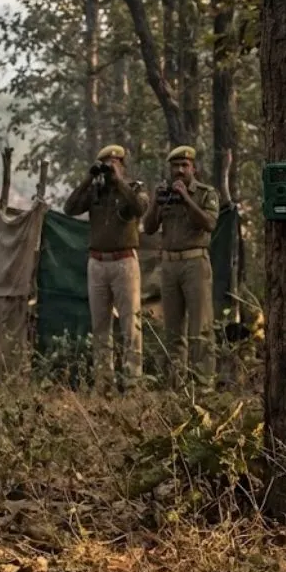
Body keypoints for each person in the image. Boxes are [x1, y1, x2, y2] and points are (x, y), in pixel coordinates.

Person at [63, 144, 150, 393]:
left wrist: (119, 181)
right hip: (97, 262)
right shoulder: (95, 193)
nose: (111, 167)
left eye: (115, 162)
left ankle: (133, 381)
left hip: (124, 262)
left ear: (123, 164)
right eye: (106, 163)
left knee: (130, 323)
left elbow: (139, 209)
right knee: (100, 324)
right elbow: (70, 208)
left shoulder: (134, 189)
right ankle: (104, 380)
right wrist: (89, 178)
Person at [142, 145, 220, 388]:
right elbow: (150, 228)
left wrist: (186, 198)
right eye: (175, 166)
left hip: (195, 263)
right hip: (169, 264)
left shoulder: (205, 194)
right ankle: (176, 385)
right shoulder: (165, 195)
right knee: (173, 330)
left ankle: (203, 385)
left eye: (184, 166)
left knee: (201, 328)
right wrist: (156, 203)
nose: (179, 170)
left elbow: (208, 223)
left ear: (193, 168)